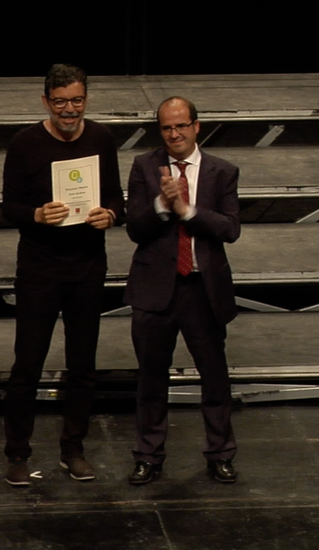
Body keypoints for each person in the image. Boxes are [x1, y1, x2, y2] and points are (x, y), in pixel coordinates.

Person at [1, 64, 125, 485]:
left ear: (86, 99)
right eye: (60, 102)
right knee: (27, 366)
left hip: (87, 267)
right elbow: (8, 206)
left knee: (82, 366)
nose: (69, 110)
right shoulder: (24, 143)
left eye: (76, 100)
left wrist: (110, 214)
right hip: (39, 269)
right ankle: (18, 453)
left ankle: (73, 449)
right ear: (45, 102)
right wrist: (36, 215)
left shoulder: (102, 138)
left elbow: (116, 197)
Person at [124, 96, 240, 485]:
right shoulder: (144, 166)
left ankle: (221, 453)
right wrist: (162, 202)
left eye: (181, 126)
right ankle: (148, 455)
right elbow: (135, 229)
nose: (174, 133)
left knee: (214, 376)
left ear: (196, 126)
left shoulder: (222, 172)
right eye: (166, 127)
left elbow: (230, 229)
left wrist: (187, 210)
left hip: (203, 290)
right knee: (151, 378)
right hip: (156, 288)